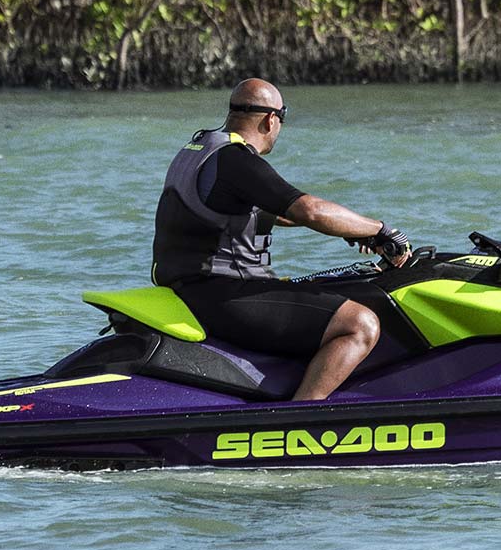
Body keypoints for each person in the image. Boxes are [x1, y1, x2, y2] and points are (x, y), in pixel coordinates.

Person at [153, 78, 410, 402]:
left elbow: (270, 213)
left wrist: (349, 229)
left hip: (192, 289)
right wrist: (381, 230)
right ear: (271, 119)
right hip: (224, 294)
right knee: (360, 324)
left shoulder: (200, 150)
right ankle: (298, 422)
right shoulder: (237, 161)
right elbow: (309, 210)